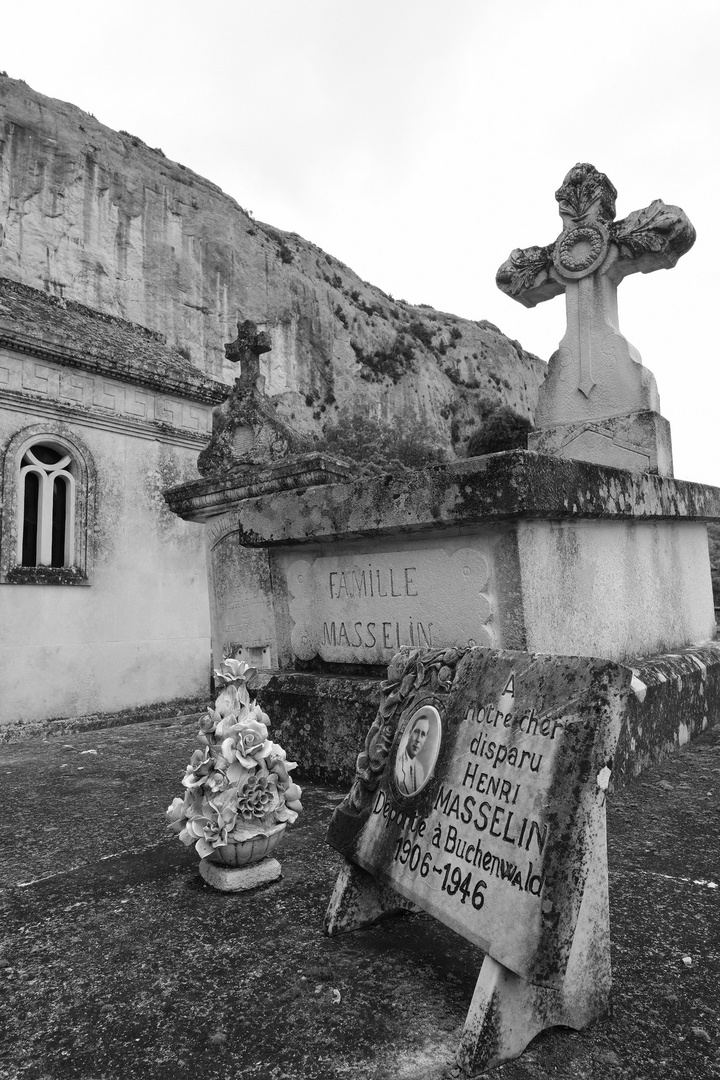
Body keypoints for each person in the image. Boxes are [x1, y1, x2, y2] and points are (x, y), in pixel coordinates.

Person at [396, 715, 429, 794]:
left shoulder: (420, 769)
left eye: (423, 734)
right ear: (410, 732)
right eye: (416, 731)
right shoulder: (398, 760)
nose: (418, 739)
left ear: (425, 740)